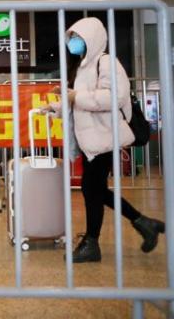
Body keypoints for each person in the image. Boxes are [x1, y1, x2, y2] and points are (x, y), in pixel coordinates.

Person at [46, 17, 164, 263]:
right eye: (71, 38)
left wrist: (75, 96)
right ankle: (143, 223)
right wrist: (56, 108)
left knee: (92, 188)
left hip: (105, 136)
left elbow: (113, 97)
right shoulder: (81, 67)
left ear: (92, 37)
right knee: (95, 188)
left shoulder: (107, 62)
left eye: (77, 37)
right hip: (90, 139)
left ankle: (93, 242)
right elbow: (79, 102)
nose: (73, 42)